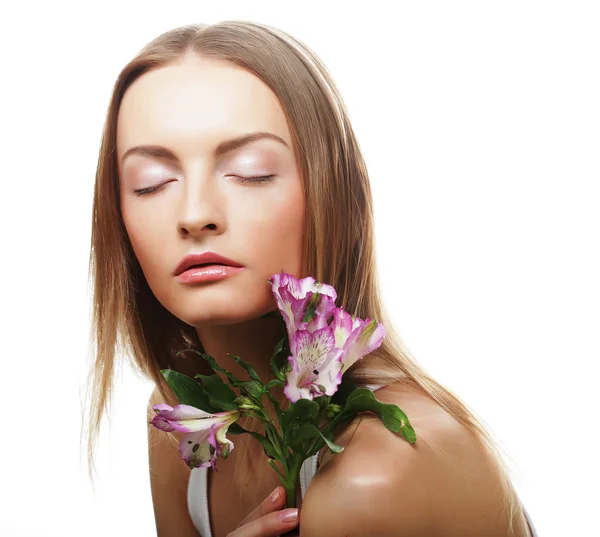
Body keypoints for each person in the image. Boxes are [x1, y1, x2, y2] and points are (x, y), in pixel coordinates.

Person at [85, 20, 537, 537]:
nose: (195, 213)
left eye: (251, 171)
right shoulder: (180, 419)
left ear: (331, 196)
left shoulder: (376, 478)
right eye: (152, 183)